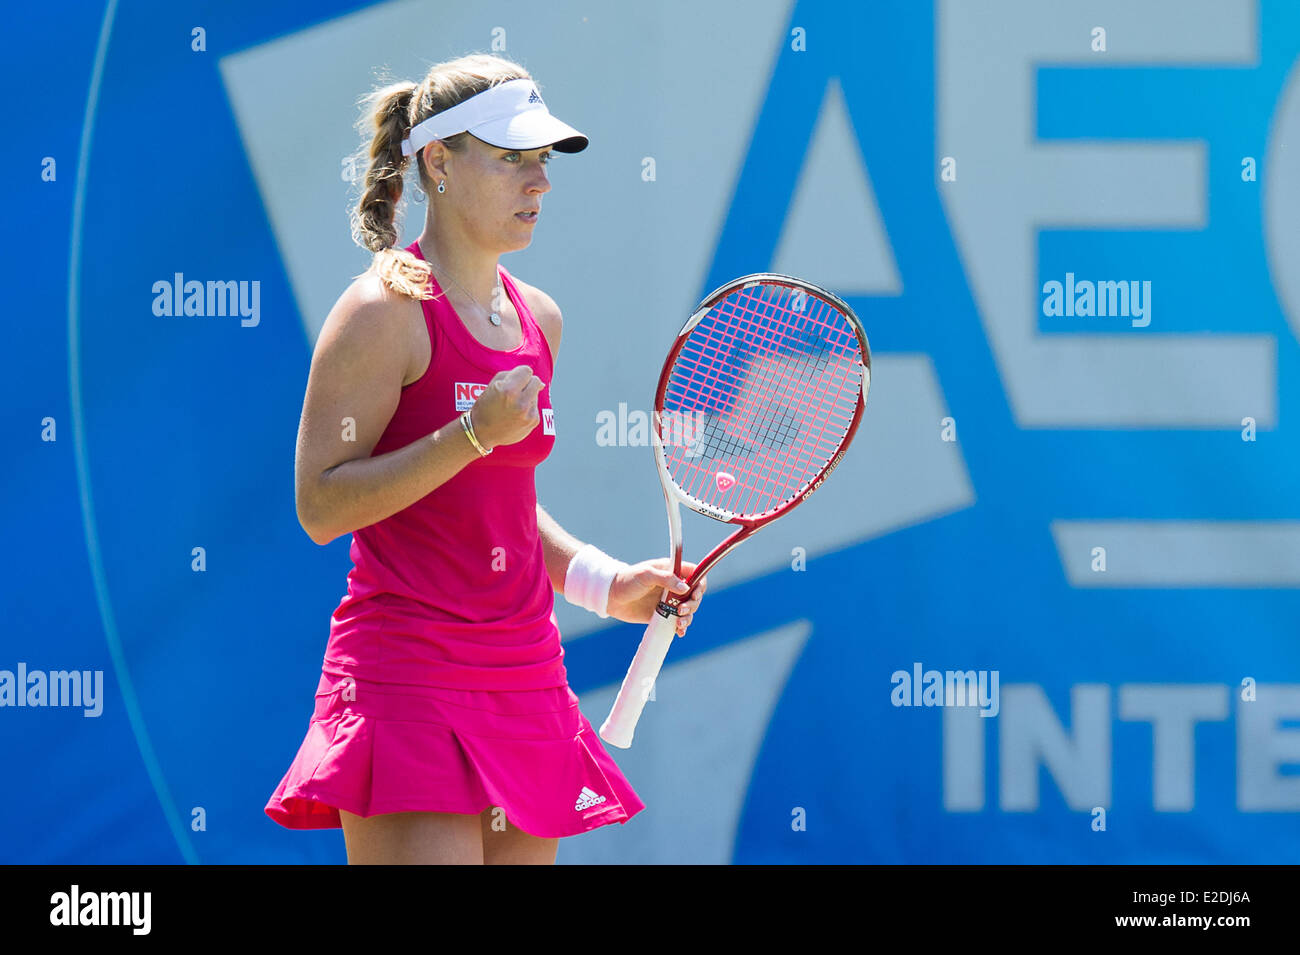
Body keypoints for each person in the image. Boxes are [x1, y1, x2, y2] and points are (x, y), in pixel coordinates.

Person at [264, 53, 708, 864]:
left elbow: (497, 508)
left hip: (525, 677)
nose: (538, 181)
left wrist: (611, 585)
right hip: (405, 680)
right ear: (438, 162)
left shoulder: (541, 320)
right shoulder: (379, 313)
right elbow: (320, 505)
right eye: (511, 159)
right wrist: (469, 432)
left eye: (542, 161)